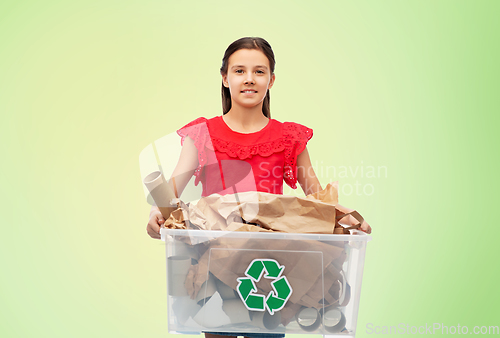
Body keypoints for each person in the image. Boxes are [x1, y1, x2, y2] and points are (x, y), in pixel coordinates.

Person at [146, 37, 371, 338]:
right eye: (239, 71)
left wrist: (350, 220)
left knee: (266, 331)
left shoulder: (288, 138)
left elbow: (318, 201)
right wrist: (155, 213)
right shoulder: (202, 135)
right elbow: (171, 192)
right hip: (215, 262)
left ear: (272, 80)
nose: (249, 79)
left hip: (270, 267)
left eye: (259, 71)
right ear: (225, 78)